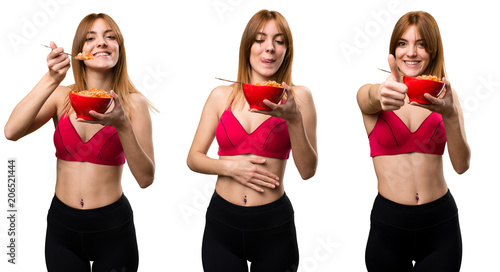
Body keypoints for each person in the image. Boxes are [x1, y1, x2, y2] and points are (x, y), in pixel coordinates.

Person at [4, 13, 155, 272]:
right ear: (79, 51)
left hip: (113, 228)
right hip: (63, 227)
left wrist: (122, 125)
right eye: (90, 38)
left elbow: (145, 179)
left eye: (110, 37)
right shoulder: (61, 96)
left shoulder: (133, 104)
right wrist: (51, 78)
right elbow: (11, 131)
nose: (101, 42)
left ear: (120, 49)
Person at [187, 9, 317, 272]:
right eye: (260, 39)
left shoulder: (299, 98)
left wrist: (293, 119)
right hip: (222, 225)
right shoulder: (221, 96)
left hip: (274, 228)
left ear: (286, 51)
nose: (269, 48)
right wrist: (230, 167)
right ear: (247, 46)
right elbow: (194, 158)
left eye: (279, 41)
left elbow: (307, 170)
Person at [357, 11, 470, 272]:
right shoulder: (378, 93)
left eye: (421, 44)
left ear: (433, 51)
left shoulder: (447, 100)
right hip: (388, 227)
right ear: (394, 49)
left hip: (440, 224)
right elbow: (367, 98)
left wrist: (450, 114)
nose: (411, 52)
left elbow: (462, 165)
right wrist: (380, 93)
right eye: (403, 43)